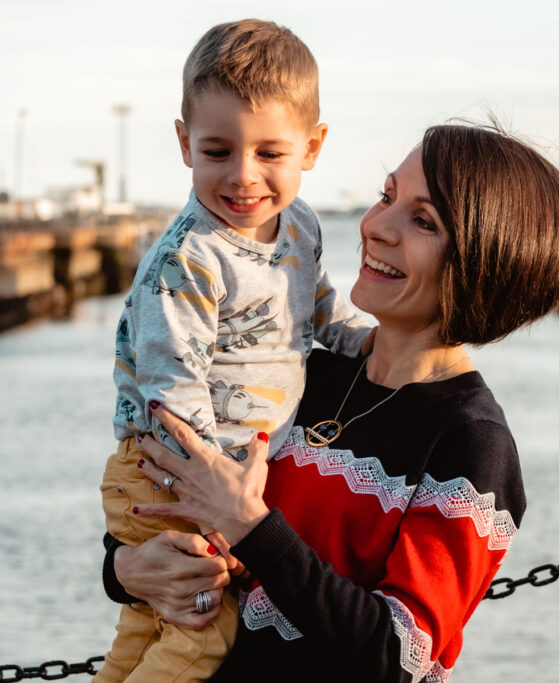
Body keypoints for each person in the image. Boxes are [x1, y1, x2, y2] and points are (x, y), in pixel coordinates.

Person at [104, 122, 559, 681]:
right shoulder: (302, 376)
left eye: (422, 220)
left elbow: (399, 656)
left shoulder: (470, 440)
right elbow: (158, 513)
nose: (376, 226)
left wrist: (251, 527)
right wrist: (127, 569)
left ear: (483, 266)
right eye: (387, 195)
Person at [98, 18, 371, 683]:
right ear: (184, 143)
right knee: (201, 632)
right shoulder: (190, 258)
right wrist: (222, 501)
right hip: (175, 467)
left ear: (312, 147)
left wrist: (375, 346)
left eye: (270, 154)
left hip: (205, 470)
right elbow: (173, 386)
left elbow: (318, 308)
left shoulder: (301, 226)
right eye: (217, 151)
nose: (244, 177)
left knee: (147, 624)